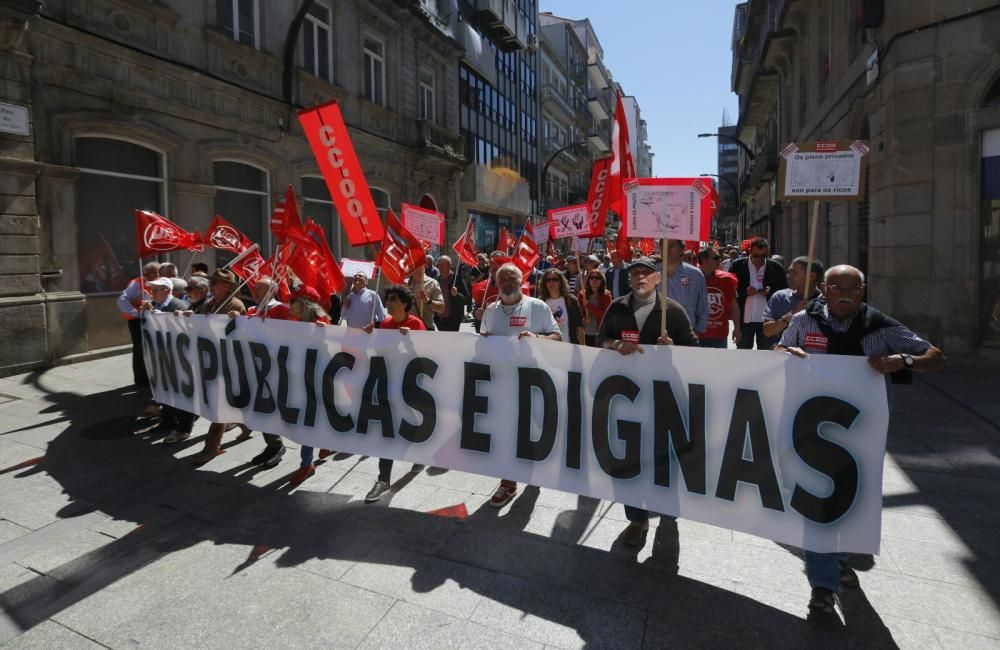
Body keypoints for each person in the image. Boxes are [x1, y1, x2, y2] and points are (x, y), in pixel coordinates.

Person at [773, 264, 945, 616]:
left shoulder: (879, 326)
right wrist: (786, 355)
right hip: (812, 430)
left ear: (864, 291)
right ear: (824, 288)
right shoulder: (805, 322)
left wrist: (903, 360)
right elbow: (778, 353)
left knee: (851, 499)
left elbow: (935, 356)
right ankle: (822, 585)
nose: (847, 294)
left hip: (861, 433)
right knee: (818, 505)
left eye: (855, 288)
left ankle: (838, 558)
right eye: (838, 287)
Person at [596, 257, 699, 546]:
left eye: (646, 273)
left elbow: (694, 350)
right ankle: (637, 519)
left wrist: (674, 348)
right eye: (635, 274)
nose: (640, 277)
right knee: (628, 459)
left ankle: (667, 505)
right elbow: (600, 339)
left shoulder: (673, 311)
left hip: (662, 397)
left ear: (657, 279)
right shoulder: (617, 307)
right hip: (626, 398)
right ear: (628, 280)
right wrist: (614, 344)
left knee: (664, 457)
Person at [481, 263, 561, 507]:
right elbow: (482, 342)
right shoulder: (491, 311)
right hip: (501, 383)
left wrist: (537, 338)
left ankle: (534, 470)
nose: (507, 282)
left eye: (512, 278)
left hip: (532, 382)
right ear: (496, 283)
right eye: (502, 279)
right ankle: (508, 483)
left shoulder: (537, 306)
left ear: (521, 280)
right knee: (505, 434)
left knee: (530, 432)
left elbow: (557, 337)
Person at [361, 285, 427, 502]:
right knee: (387, 432)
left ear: (405, 304)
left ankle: (418, 454)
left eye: (393, 299)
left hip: (411, 386)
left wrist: (411, 340)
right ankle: (383, 479)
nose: (388, 303)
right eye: (387, 299)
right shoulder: (385, 324)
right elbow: (378, 353)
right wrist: (370, 336)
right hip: (389, 385)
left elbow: (426, 356)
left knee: (411, 425)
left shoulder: (416, 324)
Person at [286, 287, 332, 486]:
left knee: (309, 420)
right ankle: (325, 442)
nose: (290, 305)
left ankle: (307, 463)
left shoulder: (321, 325)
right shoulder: (295, 323)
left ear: (305, 305)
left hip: (317, 380)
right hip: (300, 377)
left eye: (293, 301)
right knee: (313, 419)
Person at [141, 278, 193, 443]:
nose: (152, 293)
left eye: (156, 290)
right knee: (164, 391)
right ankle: (167, 421)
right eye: (152, 290)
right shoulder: (154, 305)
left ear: (167, 291)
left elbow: (185, 330)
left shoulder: (179, 306)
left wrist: (163, 317)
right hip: (162, 357)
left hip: (178, 358)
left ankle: (184, 428)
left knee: (182, 394)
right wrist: (146, 313)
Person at [729, 237, 788, 350]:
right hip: (744, 320)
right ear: (750, 251)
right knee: (743, 354)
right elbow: (730, 289)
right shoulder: (738, 266)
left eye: (763, 256)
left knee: (766, 355)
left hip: (768, 321)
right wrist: (744, 291)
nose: (760, 259)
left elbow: (785, 290)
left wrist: (770, 292)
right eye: (756, 255)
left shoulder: (776, 268)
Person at [117, 261, 160, 390]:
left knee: (145, 349)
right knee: (140, 350)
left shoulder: (148, 283)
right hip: (137, 321)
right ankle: (141, 380)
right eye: (158, 272)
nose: (159, 275)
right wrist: (136, 313)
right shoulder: (137, 282)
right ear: (151, 272)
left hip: (146, 320)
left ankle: (145, 378)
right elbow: (122, 300)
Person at [763, 256, 825, 339]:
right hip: (785, 350)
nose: (788, 276)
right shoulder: (780, 297)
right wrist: (792, 314)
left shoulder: (826, 301)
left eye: (794, 273)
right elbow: (767, 331)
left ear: (811, 276)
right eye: (789, 272)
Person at [697, 247, 741, 348]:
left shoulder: (726, 279)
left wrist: (737, 329)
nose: (719, 260)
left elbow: (734, 306)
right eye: (716, 258)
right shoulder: (692, 277)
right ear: (704, 260)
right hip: (697, 333)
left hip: (719, 335)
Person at [663, 239, 709, 336]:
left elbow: (703, 309)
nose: (666, 248)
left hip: (686, 338)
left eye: (671, 245)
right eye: (663, 245)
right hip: (655, 338)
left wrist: (694, 336)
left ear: (682, 249)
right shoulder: (651, 273)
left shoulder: (695, 275)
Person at [537, 268, 585, 345]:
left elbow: (579, 326)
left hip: (568, 346)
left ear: (560, 282)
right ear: (544, 283)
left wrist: (583, 347)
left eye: (555, 279)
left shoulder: (571, 300)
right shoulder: (540, 302)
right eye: (548, 280)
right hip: (546, 347)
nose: (551, 282)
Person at [433, 255, 470, 332]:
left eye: (443, 264)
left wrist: (457, 295)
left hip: (453, 320)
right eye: (439, 265)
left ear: (450, 265)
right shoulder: (436, 281)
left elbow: (467, 300)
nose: (440, 267)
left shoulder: (457, 280)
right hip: (439, 319)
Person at [407, 261, 445, 330]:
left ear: (424, 266)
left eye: (416, 264)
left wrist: (428, 301)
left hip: (426, 328)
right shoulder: (404, 284)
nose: (413, 267)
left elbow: (441, 308)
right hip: (407, 330)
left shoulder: (432, 283)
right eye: (411, 265)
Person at [580, 268, 613, 347]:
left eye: (597, 278)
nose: (594, 280)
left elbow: (605, 315)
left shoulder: (606, 295)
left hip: (601, 334)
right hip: (586, 333)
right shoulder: (582, 295)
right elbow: (578, 313)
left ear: (602, 280)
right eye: (592, 278)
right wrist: (584, 319)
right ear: (588, 280)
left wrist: (588, 305)